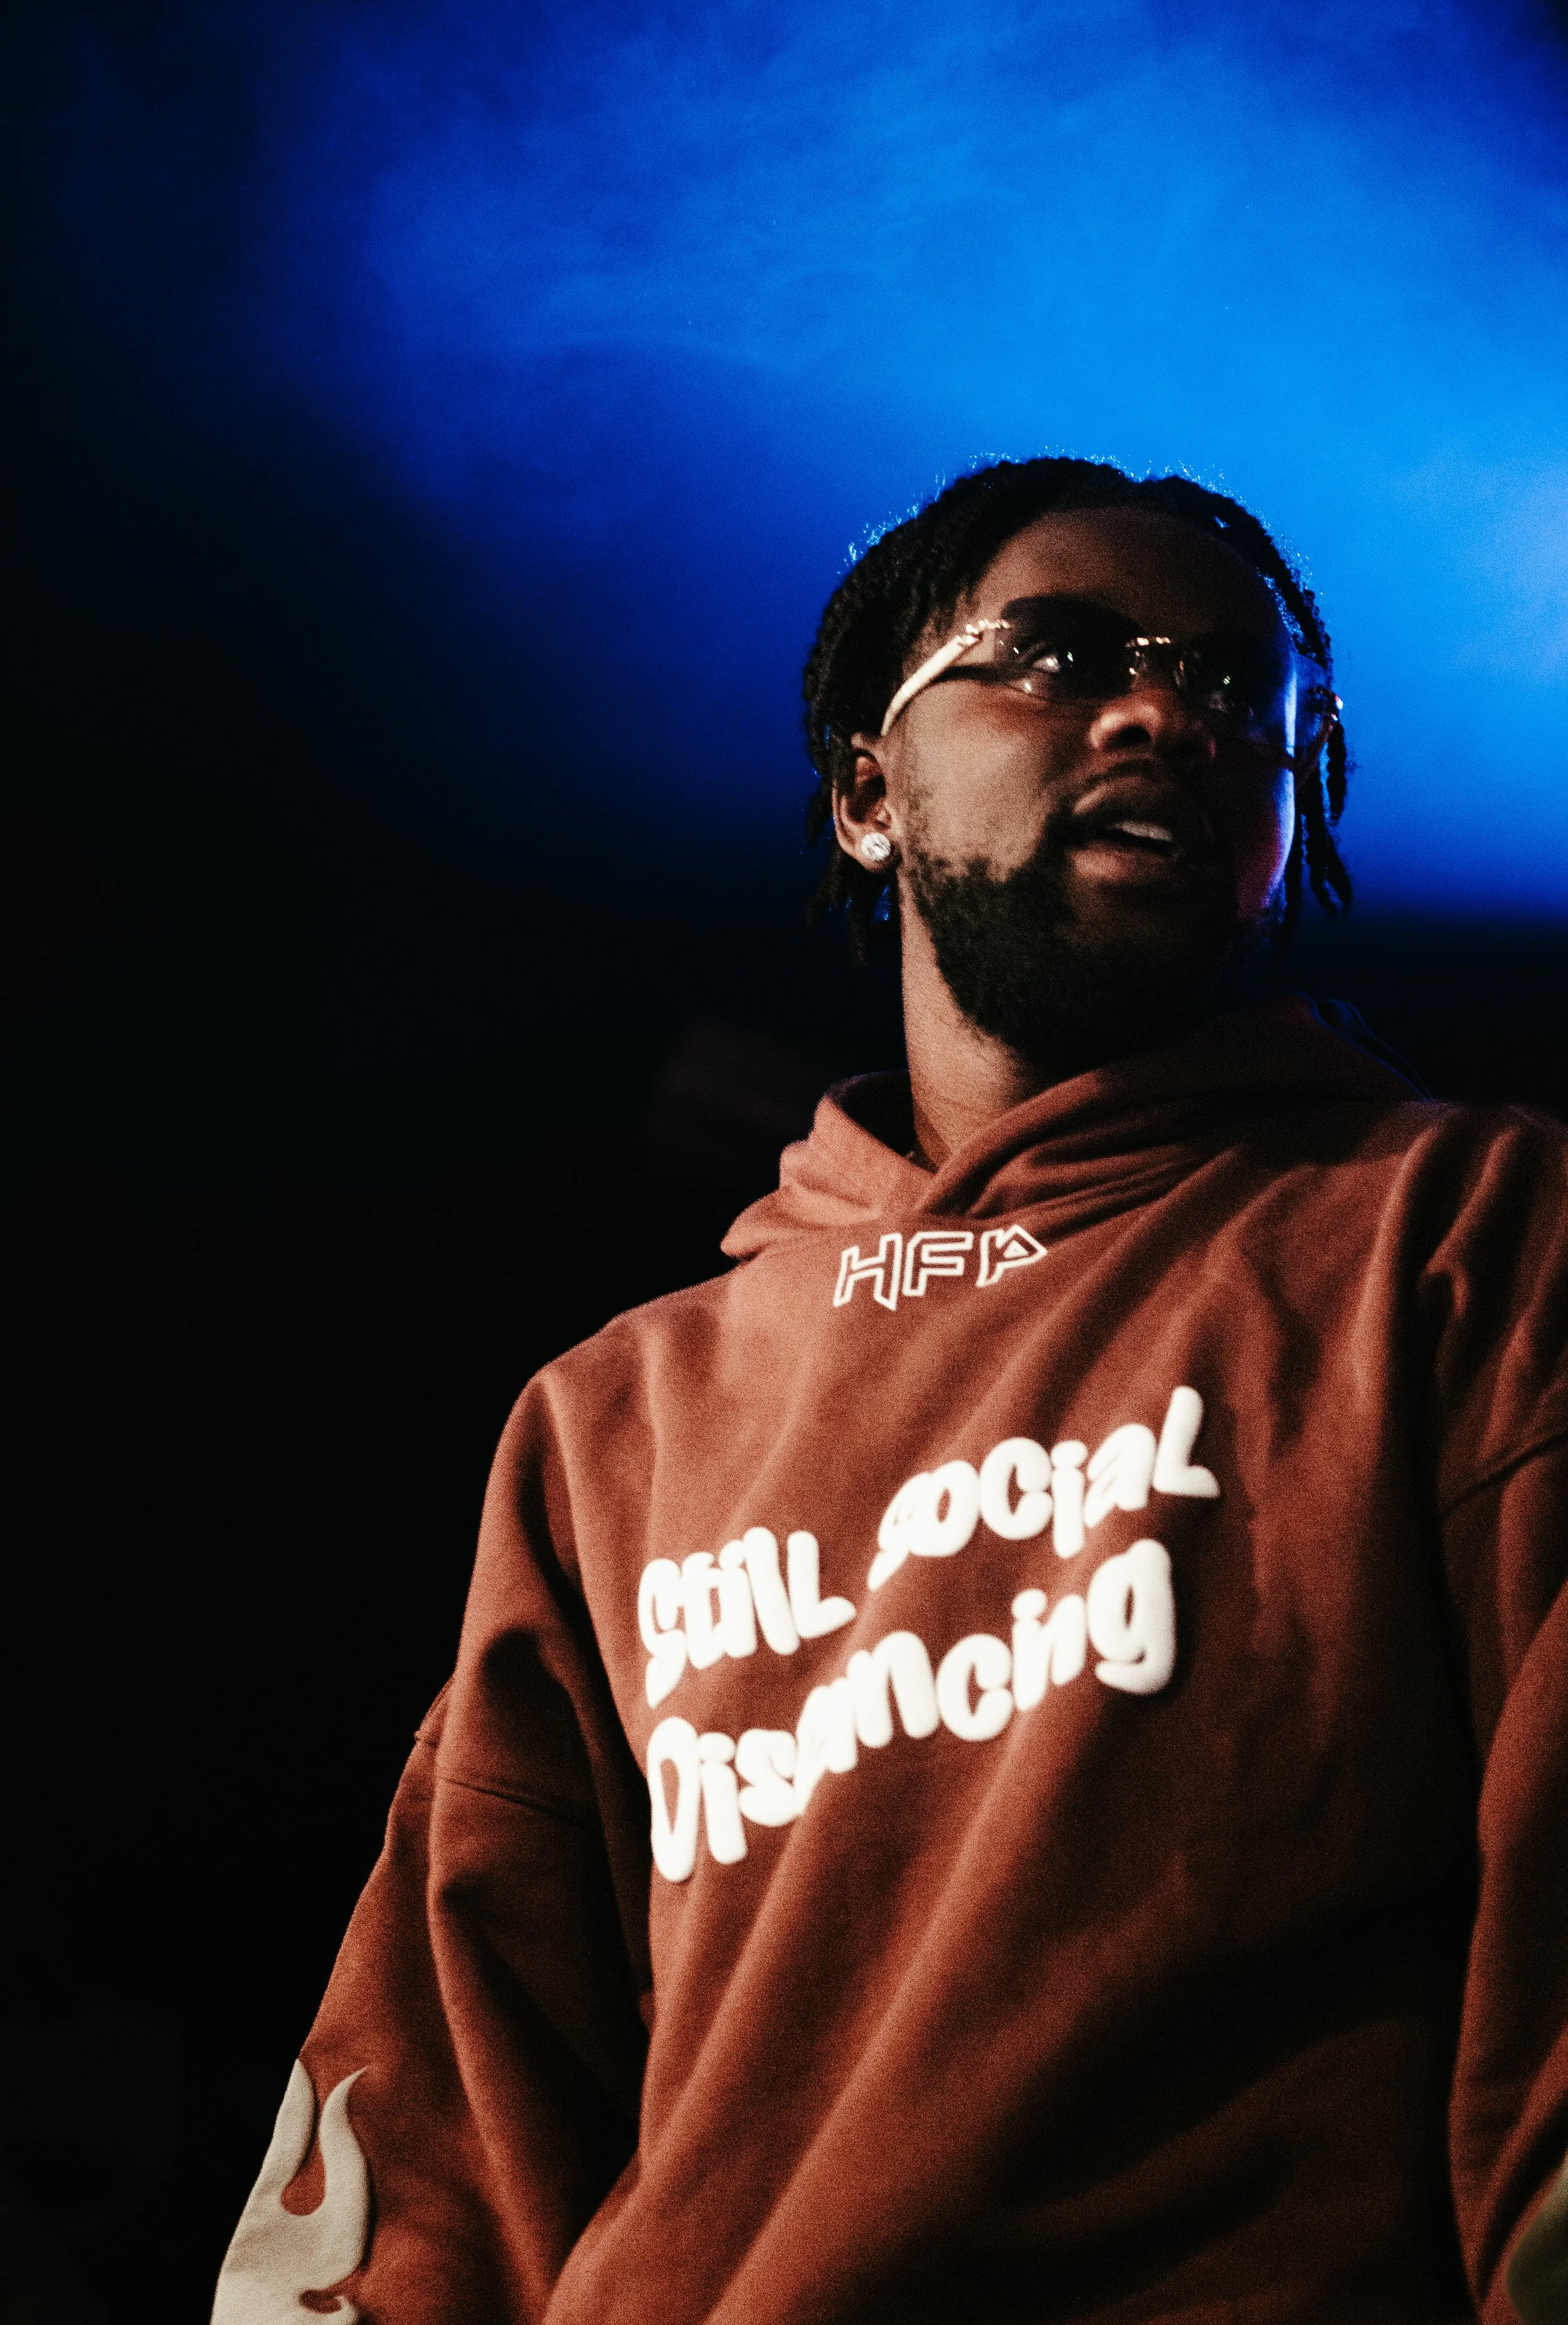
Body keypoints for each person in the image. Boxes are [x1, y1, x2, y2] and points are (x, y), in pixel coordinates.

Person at [211, 458, 1568, 2325]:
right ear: (867, 792)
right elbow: (444, 2086)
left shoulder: (1466, 1233)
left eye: (1236, 689)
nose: (1168, 710)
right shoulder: (620, 1416)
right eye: (1059, 654)